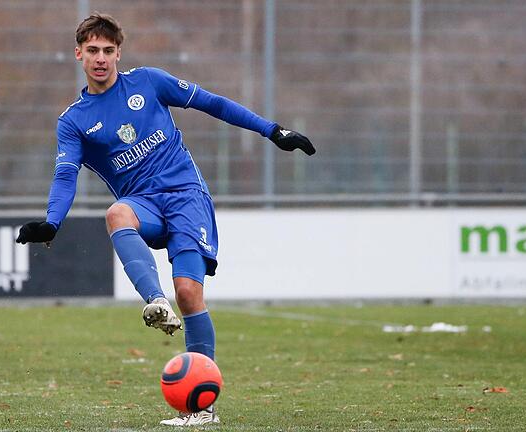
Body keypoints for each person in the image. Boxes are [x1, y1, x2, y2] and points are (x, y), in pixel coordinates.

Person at [16, 13, 315, 426]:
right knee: (117, 212)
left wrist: (272, 131)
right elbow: (65, 176)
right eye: (92, 51)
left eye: (107, 50)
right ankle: (155, 301)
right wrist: (51, 223)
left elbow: (213, 103)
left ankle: (202, 410)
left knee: (190, 293)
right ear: (78, 54)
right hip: (144, 205)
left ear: (118, 52)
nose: (100, 59)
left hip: (187, 199)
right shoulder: (74, 121)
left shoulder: (149, 82)